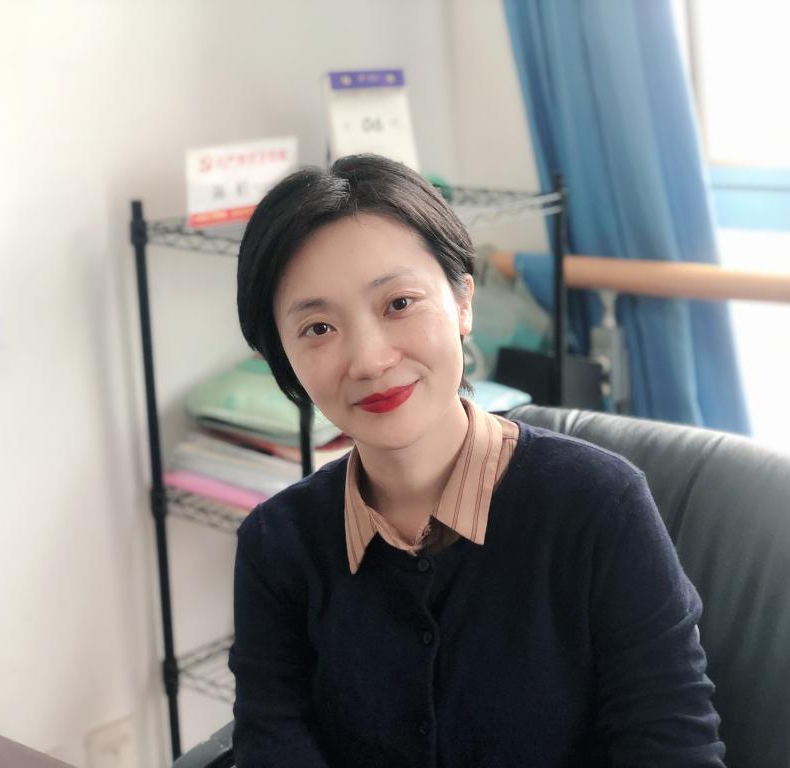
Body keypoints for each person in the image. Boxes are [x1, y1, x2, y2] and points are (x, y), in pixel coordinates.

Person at [230, 154, 725, 767]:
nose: (370, 359)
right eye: (319, 328)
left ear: (463, 301)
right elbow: (272, 744)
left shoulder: (599, 506)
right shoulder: (277, 545)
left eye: (398, 303)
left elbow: (673, 749)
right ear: (282, 358)